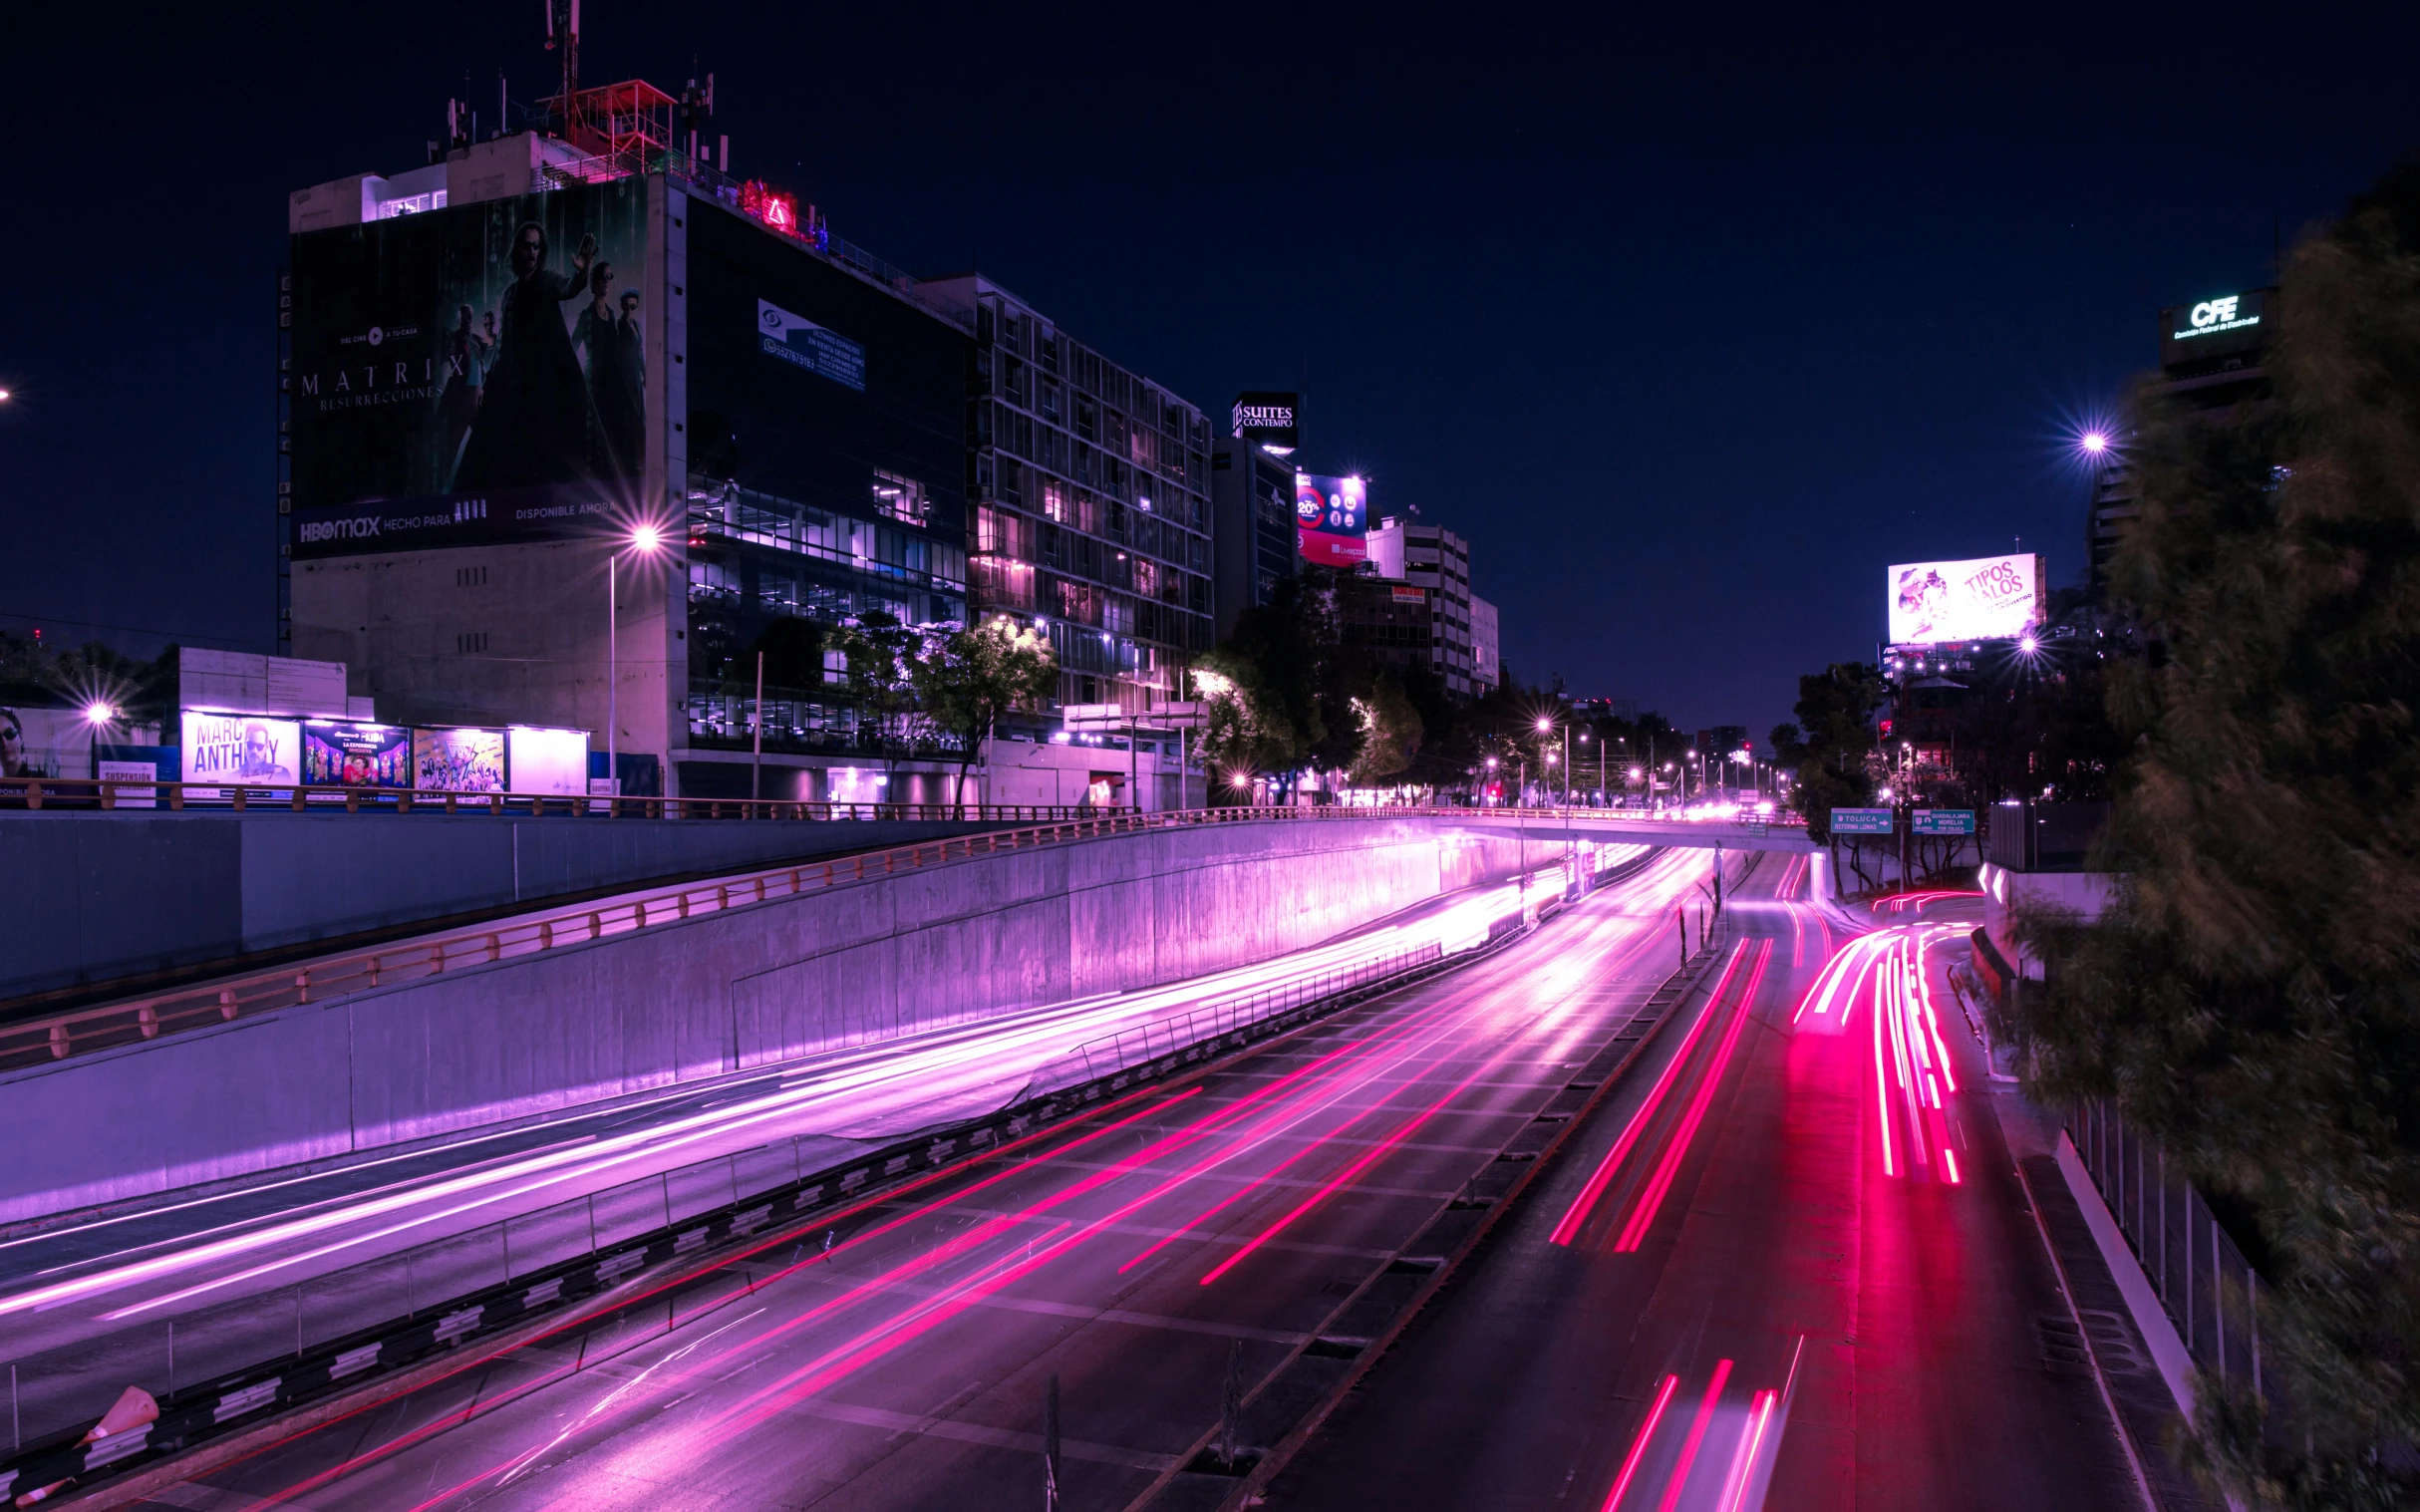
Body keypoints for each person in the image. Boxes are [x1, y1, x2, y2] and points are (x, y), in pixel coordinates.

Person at [454, 222, 599, 490]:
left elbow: (569, 288)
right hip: (516, 388)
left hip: (546, 388)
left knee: (548, 458)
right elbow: (503, 346)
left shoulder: (548, 280)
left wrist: (583, 272)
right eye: (527, 246)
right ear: (517, 250)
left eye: (536, 246)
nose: (532, 252)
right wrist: (487, 386)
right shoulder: (510, 294)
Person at [439, 303, 493, 479]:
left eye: (470, 317)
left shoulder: (477, 340)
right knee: (454, 442)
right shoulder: (454, 338)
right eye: (464, 318)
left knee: (483, 440)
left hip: (477, 396)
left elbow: (490, 355)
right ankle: (447, 480)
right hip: (462, 398)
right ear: (459, 320)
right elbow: (444, 355)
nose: (468, 321)